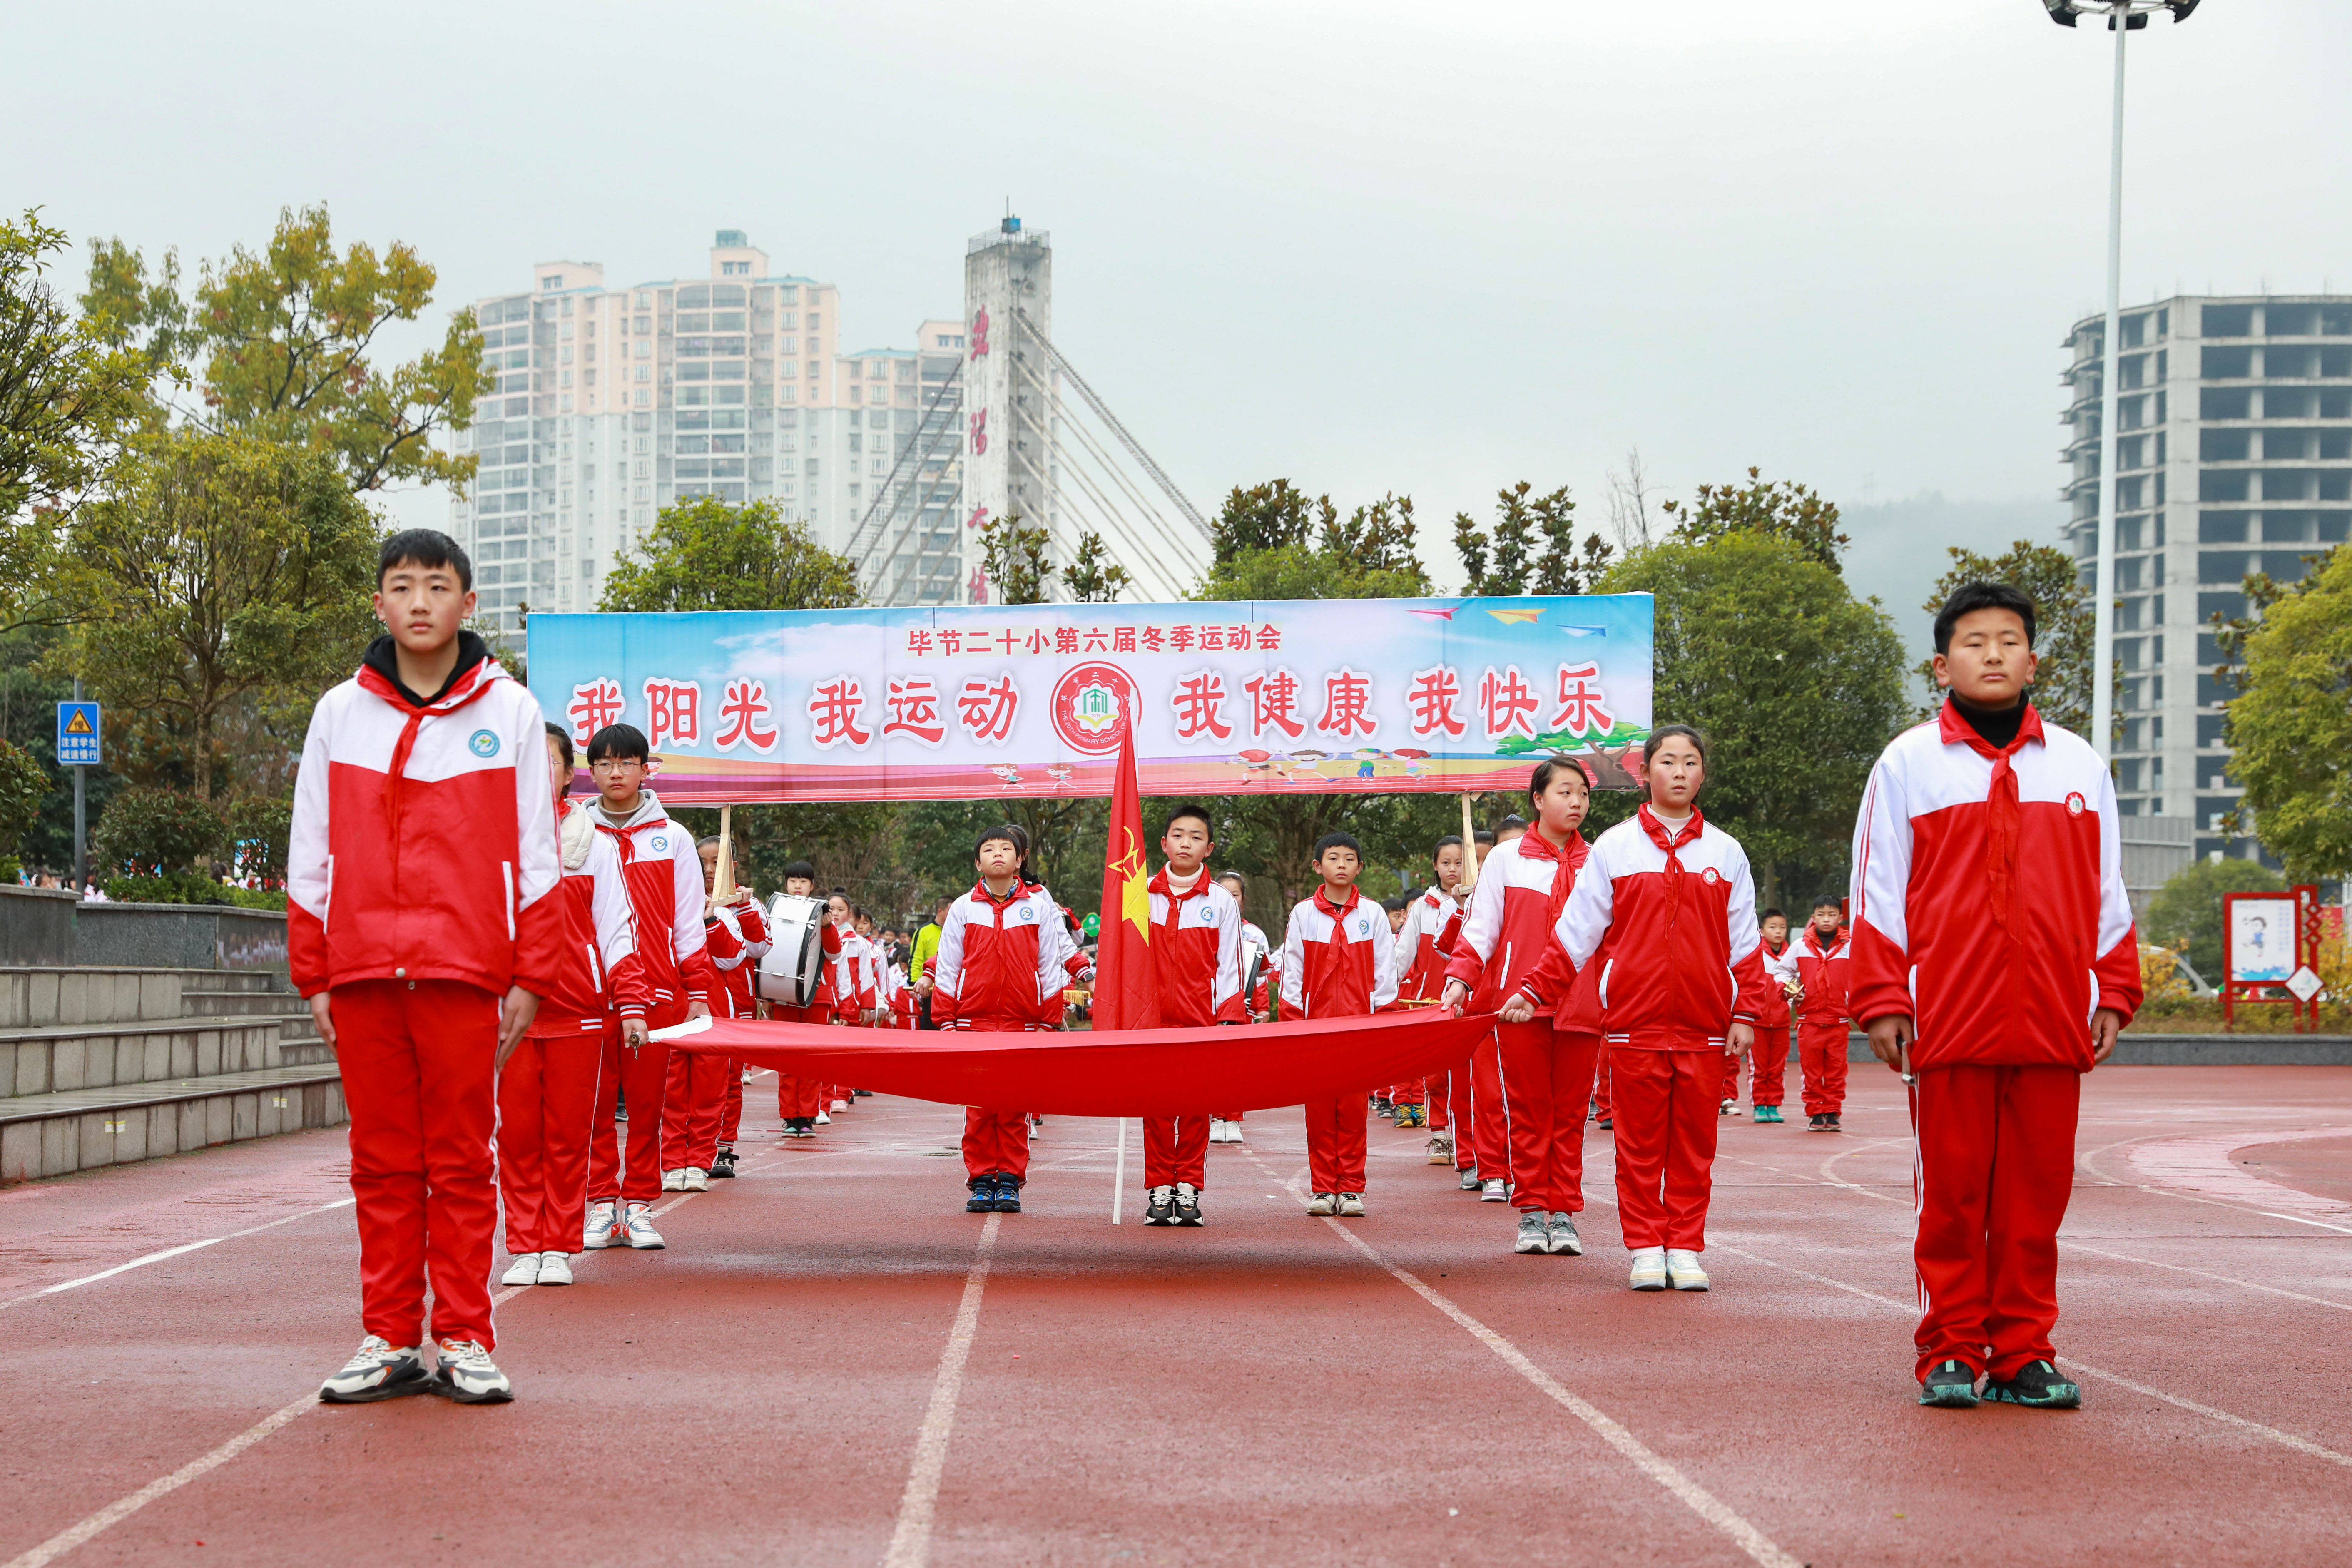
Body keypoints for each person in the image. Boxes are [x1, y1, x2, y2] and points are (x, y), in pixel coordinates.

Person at [1849, 581, 2140, 1411]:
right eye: (1973, 641)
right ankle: (1948, 1347)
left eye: (2007, 640)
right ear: (1942, 663)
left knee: (2034, 1200)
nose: (1991, 654)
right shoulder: (1906, 763)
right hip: (1946, 1015)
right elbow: (1876, 889)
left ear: (2032, 660)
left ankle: (2023, 1350)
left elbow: (2106, 890)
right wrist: (1881, 998)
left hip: (2052, 1015)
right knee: (1950, 1197)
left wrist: (2112, 988)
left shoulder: (2079, 763)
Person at [292, 528, 559, 1405]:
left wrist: (531, 971)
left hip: (464, 968)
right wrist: (316, 972)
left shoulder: (510, 711)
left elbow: (537, 851)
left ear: (467, 604)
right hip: (364, 968)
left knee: (458, 1158)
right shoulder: (340, 711)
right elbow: (311, 850)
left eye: (435, 586)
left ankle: (469, 1335)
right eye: (400, 585)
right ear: (378, 602)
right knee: (379, 1158)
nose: (417, 601)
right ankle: (390, 1334)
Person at [1504, 724, 1766, 1292]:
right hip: (1633, 1023)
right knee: (1640, 1145)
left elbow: (1744, 940)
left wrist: (1746, 1011)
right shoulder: (1617, 848)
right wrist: (1531, 990)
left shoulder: (1726, 852)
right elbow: (1575, 935)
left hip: (1704, 1024)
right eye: (1666, 761)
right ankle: (1647, 1245)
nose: (1678, 771)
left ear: (1702, 773)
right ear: (1644, 773)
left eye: (1690, 762)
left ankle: (1686, 1245)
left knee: (1695, 1146)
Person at [499, 723, 652, 1290]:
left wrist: (631, 1002)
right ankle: (523, 1242)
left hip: (577, 1013)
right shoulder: (491, 841)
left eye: (550, 763)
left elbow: (617, 931)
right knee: (516, 1136)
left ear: (568, 773)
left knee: (567, 1136)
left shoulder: (595, 845)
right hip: (509, 1015)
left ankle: (558, 1243)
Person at [1444, 761, 1604, 1258]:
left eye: (1582, 793)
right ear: (1538, 798)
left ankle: (1565, 1213)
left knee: (1572, 1113)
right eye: (1564, 792)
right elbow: (1482, 927)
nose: (1575, 802)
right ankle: (1533, 1209)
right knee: (1529, 1111)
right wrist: (1460, 980)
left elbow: (1617, 937)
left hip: (1581, 1005)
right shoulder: (1508, 860)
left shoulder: (1601, 861)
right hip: (1519, 1006)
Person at [580, 723, 713, 1245]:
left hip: (657, 992)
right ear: (589, 773)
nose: (617, 773)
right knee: (591, 1106)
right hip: (590, 991)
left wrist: (697, 989)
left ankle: (637, 1205)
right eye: (606, 764)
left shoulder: (673, 837)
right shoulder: (574, 833)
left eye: (627, 762)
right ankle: (597, 1203)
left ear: (644, 768)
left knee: (647, 1106)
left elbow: (686, 922)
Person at [930, 825, 1081, 1213]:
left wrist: (1048, 1020)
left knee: (1014, 1107)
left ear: (1020, 860)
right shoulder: (964, 908)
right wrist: (946, 1019)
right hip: (972, 1024)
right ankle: (981, 1180)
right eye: (988, 849)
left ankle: (1010, 1180)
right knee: (979, 1107)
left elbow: (1049, 965)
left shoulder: (1039, 906)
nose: (997, 854)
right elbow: (948, 965)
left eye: (1006, 849)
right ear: (978, 861)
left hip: (1023, 1023)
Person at [1281, 831, 1397, 1217]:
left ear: (1359, 867)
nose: (1342, 865)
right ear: (1318, 866)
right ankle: (1322, 1187)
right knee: (1318, 1109)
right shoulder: (1302, 914)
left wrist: (1381, 1021)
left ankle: (1350, 1188)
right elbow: (1292, 973)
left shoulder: (1374, 913)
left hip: (1359, 1028)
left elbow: (1385, 972)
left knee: (1352, 1109)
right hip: (1315, 1029)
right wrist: (1294, 1025)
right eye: (1334, 858)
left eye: (1350, 858)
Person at [1141, 804, 1247, 1225]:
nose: (1186, 842)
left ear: (1209, 847)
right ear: (1164, 843)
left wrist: (1227, 1019)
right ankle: (1159, 1187)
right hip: (1150, 1025)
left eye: (1196, 836)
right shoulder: (1139, 895)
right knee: (1157, 1106)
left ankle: (1188, 1187)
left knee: (1195, 1107)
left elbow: (1229, 965)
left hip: (1200, 1021)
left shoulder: (1219, 901)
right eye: (1178, 835)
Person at [696, 836, 769, 1177]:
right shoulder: (687, 894)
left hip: (736, 1002)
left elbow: (759, 947)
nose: (709, 870)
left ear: (732, 866)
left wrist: (743, 907)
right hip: (698, 998)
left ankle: (723, 1147)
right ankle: (692, 1147)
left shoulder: (746, 902)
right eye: (703, 862)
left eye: (717, 863)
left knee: (730, 1079)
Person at [1399, 836, 1467, 1163]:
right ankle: (1440, 1134)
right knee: (1437, 1073)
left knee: (1469, 1073)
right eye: (1446, 863)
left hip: (1470, 1000)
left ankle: (1471, 1139)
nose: (1452, 869)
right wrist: (1381, 991)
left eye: (1459, 862)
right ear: (1434, 865)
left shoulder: (1481, 899)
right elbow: (1402, 954)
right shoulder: (1423, 908)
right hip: (1432, 1002)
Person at [770, 860, 841, 1137]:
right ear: (785, 884)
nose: (797, 886)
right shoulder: (774, 910)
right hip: (783, 994)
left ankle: (808, 1116)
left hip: (816, 995)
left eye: (803, 881)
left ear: (812, 886)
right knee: (786, 1059)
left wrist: (826, 927)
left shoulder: (822, 912)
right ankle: (790, 1117)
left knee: (811, 1058)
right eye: (792, 881)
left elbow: (834, 954)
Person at [1210, 869, 1269, 1145]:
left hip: (1241, 1010)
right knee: (1211, 1067)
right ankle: (1213, 1118)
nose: (1229, 899)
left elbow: (1259, 976)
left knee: (1236, 1068)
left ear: (1243, 900)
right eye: (1223, 893)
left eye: (1234, 894)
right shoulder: (1206, 925)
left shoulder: (1254, 934)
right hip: (1208, 1007)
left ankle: (1233, 1120)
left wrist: (1262, 1008)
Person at [1794, 896, 1853, 1130]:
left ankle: (1833, 1111)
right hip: (1809, 1021)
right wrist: (1788, 990)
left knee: (1837, 1071)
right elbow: (1782, 972)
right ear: (1814, 917)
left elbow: (1863, 973)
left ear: (1841, 918)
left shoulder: (1851, 947)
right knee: (1811, 1071)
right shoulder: (1800, 946)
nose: (1826, 919)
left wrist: (1852, 997)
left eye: (1831, 915)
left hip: (1839, 1021)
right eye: (1821, 914)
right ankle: (1816, 1114)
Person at [1740, 908, 1797, 1124]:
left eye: (1782, 927)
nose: (1778, 932)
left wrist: (1791, 1001)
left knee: (1777, 1067)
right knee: (1759, 1067)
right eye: (1773, 927)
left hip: (1782, 1023)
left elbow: (1796, 985)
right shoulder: (1756, 954)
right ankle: (1759, 1106)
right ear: (1762, 931)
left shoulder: (1791, 954)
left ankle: (1773, 1105)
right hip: (1759, 1022)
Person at [911, 896, 950, 1030]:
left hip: (948, 987)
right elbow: (916, 959)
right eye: (950, 910)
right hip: (928, 987)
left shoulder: (955, 929)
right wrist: (914, 983)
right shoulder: (924, 931)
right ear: (941, 912)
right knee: (930, 1026)